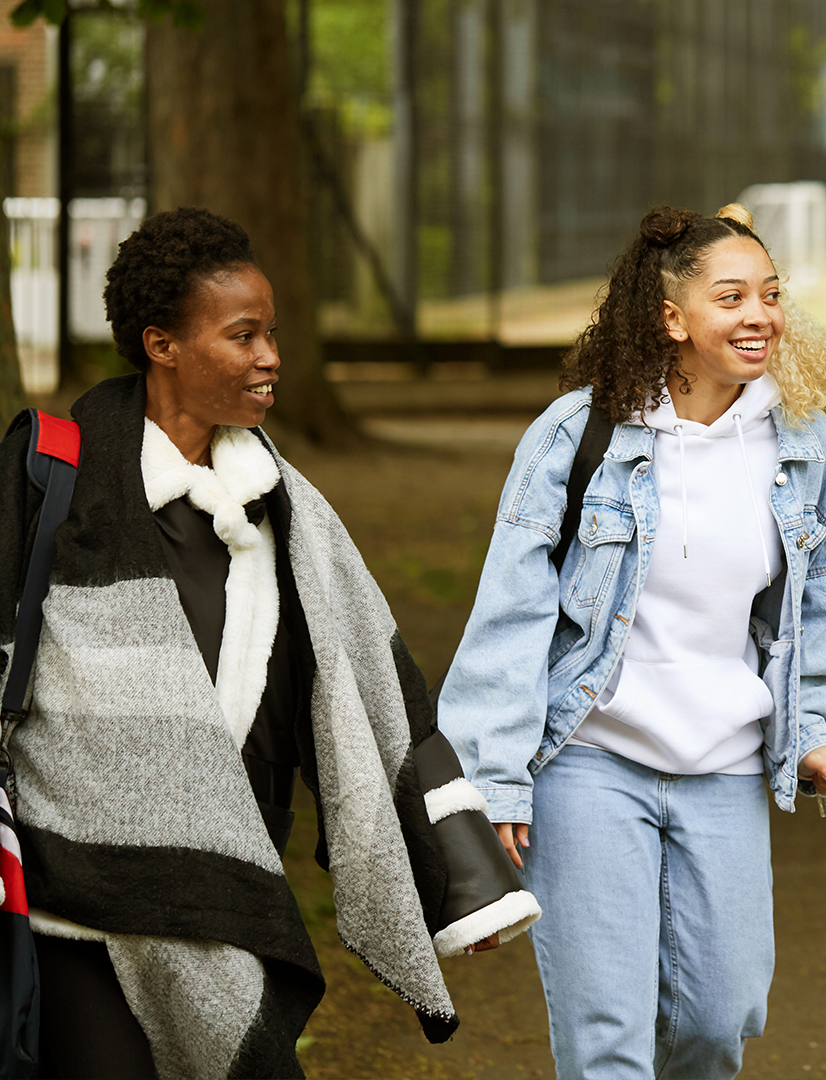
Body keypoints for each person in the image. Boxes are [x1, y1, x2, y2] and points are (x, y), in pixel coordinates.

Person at [0, 207, 539, 1079]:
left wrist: (464, 880)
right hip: (76, 895)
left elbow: (381, 694)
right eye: (243, 335)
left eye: (272, 334)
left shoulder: (288, 514)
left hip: (234, 890)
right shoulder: (51, 475)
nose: (271, 357)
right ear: (162, 344)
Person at [436, 203, 826, 1079]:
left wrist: (812, 729)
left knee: (716, 1020)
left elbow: (815, 600)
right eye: (732, 296)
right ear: (673, 317)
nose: (760, 316)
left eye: (771, 296)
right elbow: (510, 614)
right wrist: (497, 777)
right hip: (591, 760)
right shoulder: (577, 434)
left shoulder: (804, 442)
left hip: (727, 766)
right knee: (607, 1040)